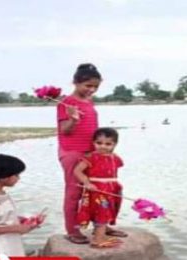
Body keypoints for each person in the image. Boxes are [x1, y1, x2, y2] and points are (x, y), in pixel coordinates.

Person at [57, 63, 101, 244]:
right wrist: (73, 119)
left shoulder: (89, 101)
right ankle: (72, 230)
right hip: (73, 152)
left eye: (95, 87)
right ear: (75, 82)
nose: (91, 90)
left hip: (92, 152)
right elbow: (64, 130)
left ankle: (101, 225)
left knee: (97, 190)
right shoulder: (66, 102)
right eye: (88, 86)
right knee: (74, 192)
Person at [0, 154, 43, 256]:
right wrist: (15, 228)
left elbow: (0, 217)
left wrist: (20, 220)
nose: (18, 178)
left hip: (10, 242)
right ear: (3, 177)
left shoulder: (1, 194)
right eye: (16, 175)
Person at [74, 128, 127, 248]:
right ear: (93, 142)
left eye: (108, 144)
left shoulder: (115, 158)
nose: (103, 146)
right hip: (97, 189)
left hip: (112, 188)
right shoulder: (90, 157)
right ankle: (97, 240)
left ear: (115, 144)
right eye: (99, 143)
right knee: (101, 212)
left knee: (109, 211)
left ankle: (101, 232)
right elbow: (77, 171)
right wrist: (87, 183)